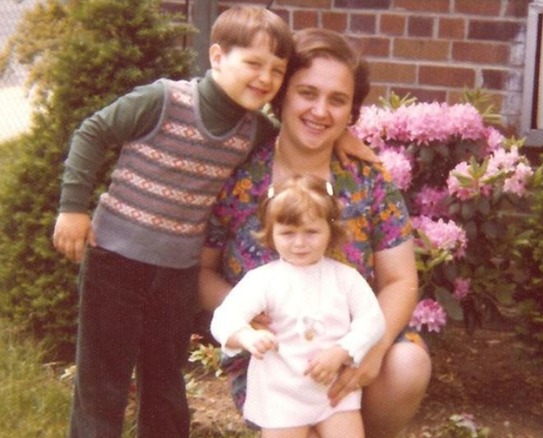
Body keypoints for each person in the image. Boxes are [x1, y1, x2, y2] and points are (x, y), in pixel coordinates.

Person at [51, 6, 371, 437]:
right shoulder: (162, 100)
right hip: (116, 260)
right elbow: (92, 132)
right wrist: (73, 208)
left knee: (165, 380)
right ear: (217, 56)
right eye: (253, 63)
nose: (265, 78)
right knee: (102, 382)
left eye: (277, 70)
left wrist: (342, 134)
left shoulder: (252, 127)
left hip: (177, 272)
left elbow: (296, 130)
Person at [199, 28, 432, 438]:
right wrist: (244, 316)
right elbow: (200, 272)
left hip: (352, 337)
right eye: (307, 93)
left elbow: (400, 279)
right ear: (282, 95)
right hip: (273, 353)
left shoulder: (368, 181)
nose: (321, 111)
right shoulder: (238, 176)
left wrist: (371, 352)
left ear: (351, 112)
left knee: (408, 364)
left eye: (337, 100)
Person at [211, 174, 386, 437]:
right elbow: (224, 319)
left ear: (330, 230)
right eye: (288, 233)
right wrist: (246, 336)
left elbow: (372, 320)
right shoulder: (263, 280)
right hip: (282, 393)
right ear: (271, 234)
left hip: (333, 391)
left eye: (311, 232)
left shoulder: (345, 278)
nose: (300, 243)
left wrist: (343, 351)